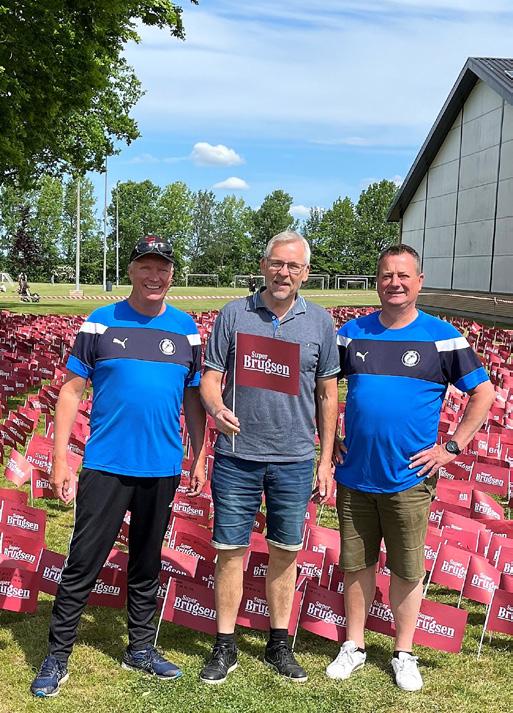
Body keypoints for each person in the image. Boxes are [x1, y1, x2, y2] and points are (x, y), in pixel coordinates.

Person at [30, 235, 206, 697]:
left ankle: (140, 648)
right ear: (130, 271)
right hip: (106, 465)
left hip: (162, 467)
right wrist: (60, 459)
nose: (154, 276)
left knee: (147, 563)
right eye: (146, 266)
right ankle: (57, 655)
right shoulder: (99, 322)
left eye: (162, 268)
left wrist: (199, 455)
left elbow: (193, 399)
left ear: (172, 274)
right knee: (83, 562)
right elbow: (71, 391)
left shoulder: (186, 329)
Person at [327, 244, 495, 692]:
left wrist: (451, 448)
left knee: (406, 569)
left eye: (403, 275)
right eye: (386, 275)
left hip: (409, 479)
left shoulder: (443, 336)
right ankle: (354, 645)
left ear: (419, 282)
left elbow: (483, 393)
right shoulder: (351, 334)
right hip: (355, 475)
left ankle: (403, 652)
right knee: (357, 564)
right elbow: (323, 388)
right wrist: (329, 440)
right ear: (376, 282)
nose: (394, 283)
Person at [199, 230, 339, 684]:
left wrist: (324, 461)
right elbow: (210, 379)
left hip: (294, 460)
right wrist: (216, 408)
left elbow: (327, 394)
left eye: (293, 266)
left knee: (285, 551)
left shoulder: (320, 323)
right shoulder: (234, 314)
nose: (284, 272)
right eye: (277, 263)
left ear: (306, 273)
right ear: (263, 265)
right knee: (229, 552)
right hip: (237, 456)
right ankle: (225, 645)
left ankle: (279, 644)